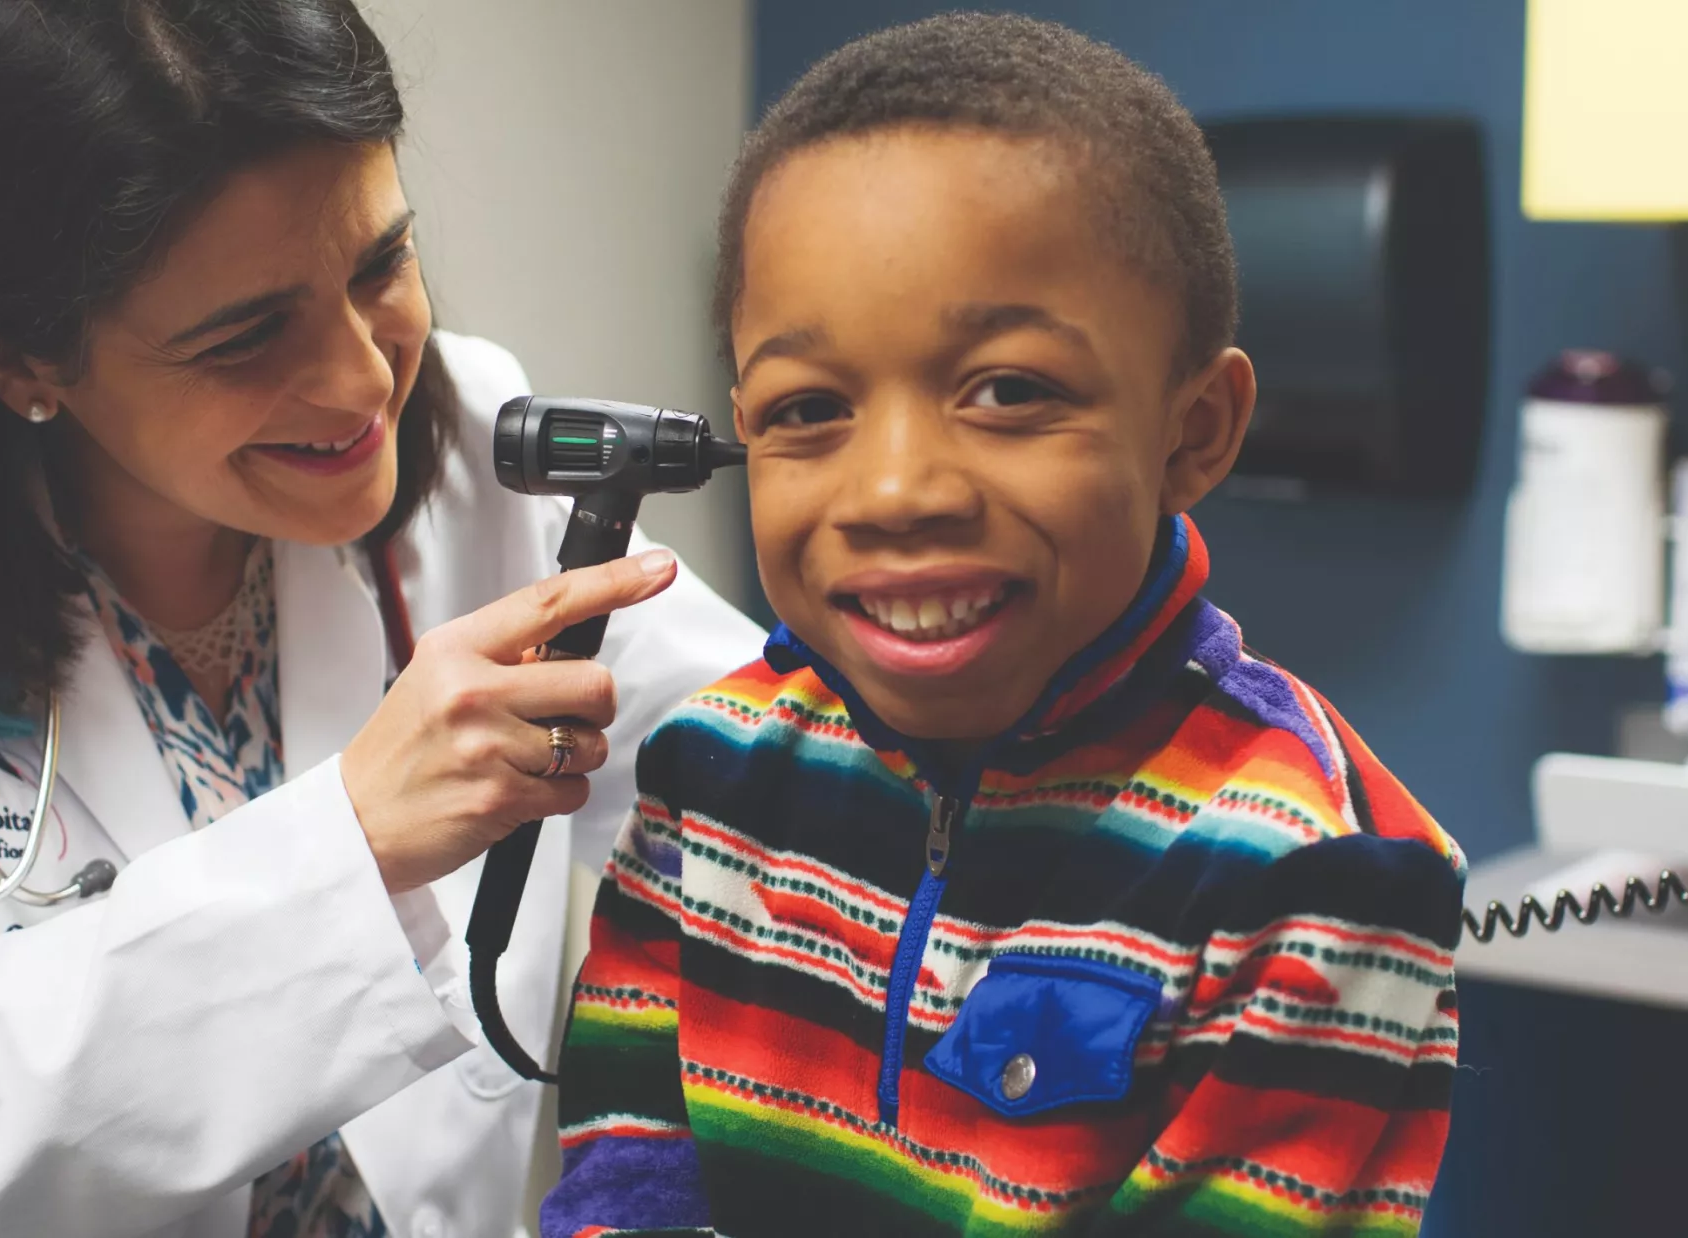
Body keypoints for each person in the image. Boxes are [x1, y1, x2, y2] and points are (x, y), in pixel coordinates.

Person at [0, 2, 759, 1236]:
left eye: (380, 265)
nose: (361, 382)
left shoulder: (468, 469)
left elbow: (768, 773)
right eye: (243, 337)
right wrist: (346, 848)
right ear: (14, 355)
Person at [542, 15, 1467, 1238]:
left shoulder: (1314, 873)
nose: (895, 491)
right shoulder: (709, 767)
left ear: (1192, 431)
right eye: (810, 407)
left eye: (1009, 391)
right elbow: (627, 1160)